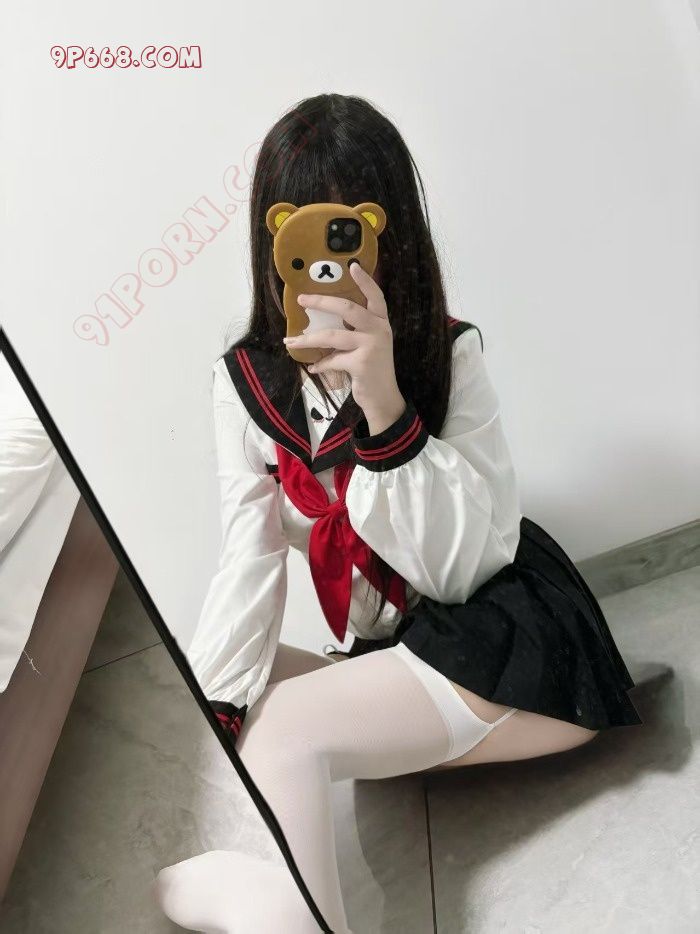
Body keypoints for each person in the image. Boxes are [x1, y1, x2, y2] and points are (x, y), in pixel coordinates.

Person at [154, 93, 642, 934]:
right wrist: (222, 702)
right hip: (401, 647)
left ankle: (254, 903)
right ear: (274, 237)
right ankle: (249, 892)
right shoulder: (245, 388)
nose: (326, 266)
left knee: (286, 732)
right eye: (302, 234)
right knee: (225, 693)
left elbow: (467, 567)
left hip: (510, 639)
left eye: (347, 233)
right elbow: (248, 558)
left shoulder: (447, 352)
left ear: (388, 233)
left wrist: (383, 405)